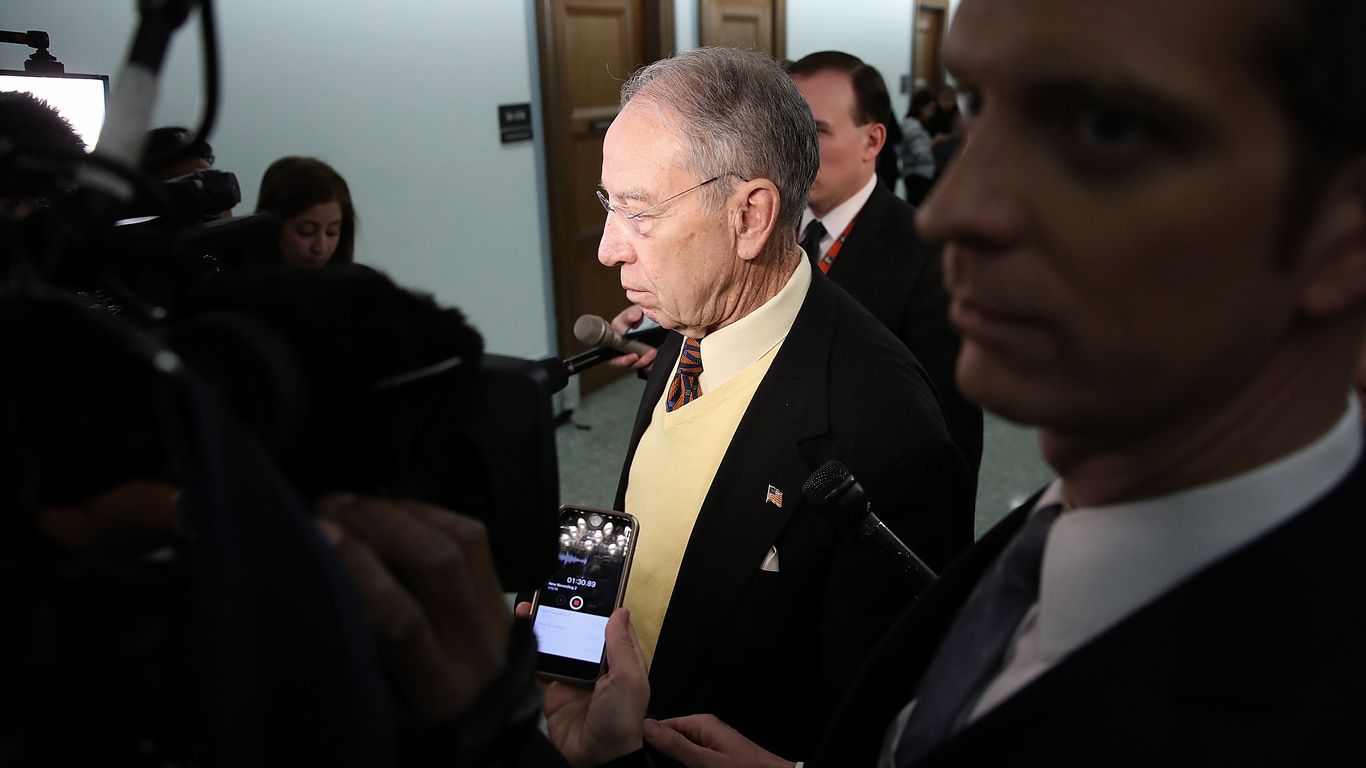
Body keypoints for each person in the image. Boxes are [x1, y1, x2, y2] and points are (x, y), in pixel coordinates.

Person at [628, 0, 1366, 764]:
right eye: (978, 105)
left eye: (1104, 127)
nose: (953, 210)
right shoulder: (1061, 523)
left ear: (1343, 230)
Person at [594, 46, 973, 760]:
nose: (611, 249)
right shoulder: (689, 312)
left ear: (750, 216)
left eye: (639, 213)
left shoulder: (893, 436)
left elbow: (891, 715)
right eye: (608, 205)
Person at [787, 51, 983, 483]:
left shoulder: (930, 255)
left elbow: (950, 432)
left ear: (873, 141)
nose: (792, 149)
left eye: (816, 131)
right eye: (787, 128)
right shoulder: (772, 224)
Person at [255, 156, 357, 267]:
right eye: (306, 232)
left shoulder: (362, 281)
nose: (321, 248)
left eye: (332, 232)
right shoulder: (241, 281)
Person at [899, 90, 937, 206]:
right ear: (921, 107)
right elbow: (920, 153)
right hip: (918, 175)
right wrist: (934, 144)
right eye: (930, 109)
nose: (932, 113)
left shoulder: (910, 124)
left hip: (914, 174)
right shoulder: (914, 127)